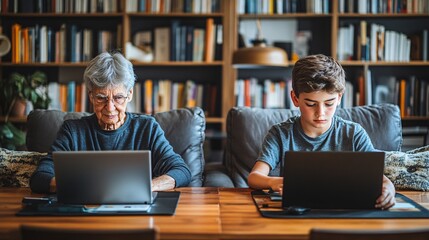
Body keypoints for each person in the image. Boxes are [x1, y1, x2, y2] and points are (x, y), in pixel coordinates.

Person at [247, 54, 396, 209]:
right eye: (311, 104)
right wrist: (274, 182)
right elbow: (254, 177)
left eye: (329, 103)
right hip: (298, 212)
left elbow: (380, 179)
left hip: (345, 211)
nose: (321, 113)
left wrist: (389, 189)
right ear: (295, 98)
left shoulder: (354, 134)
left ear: (339, 98)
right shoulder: (280, 134)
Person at [30, 51, 191, 194]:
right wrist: (79, 187)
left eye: (118, 97)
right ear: (91, 96)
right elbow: (40, 177)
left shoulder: (147, 128)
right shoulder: (72, 131)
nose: (110, 107)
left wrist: (144, 187)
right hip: (85, 210)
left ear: (129, 95)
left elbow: (181, 171)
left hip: (135, 210)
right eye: (101, 98)